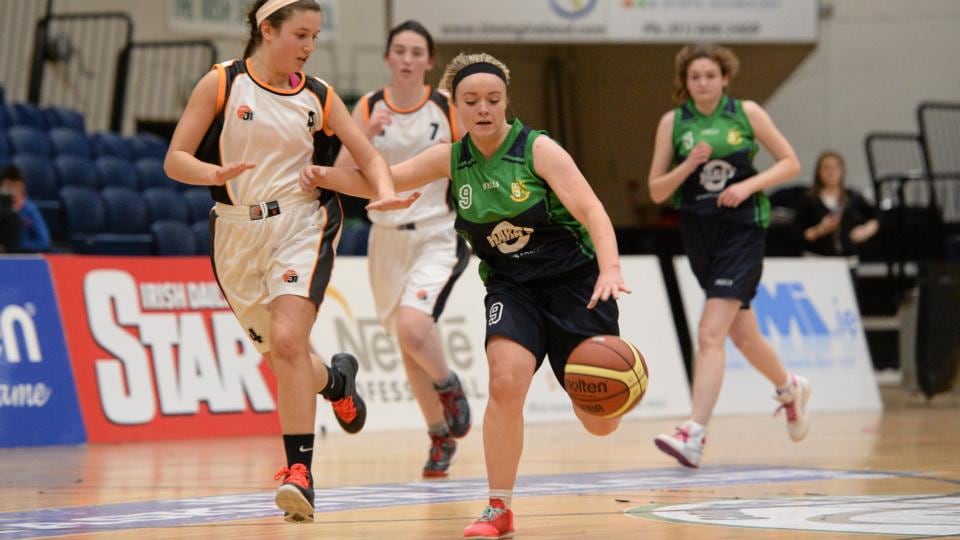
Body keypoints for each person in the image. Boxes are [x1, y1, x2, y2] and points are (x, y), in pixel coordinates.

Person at [301, 52, 631, 540]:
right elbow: (379, 177)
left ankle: (620, 387)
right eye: (472, 101)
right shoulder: (451, 158)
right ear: (454, 107)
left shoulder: (538, 150)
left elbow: (592, 209)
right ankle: (499, 507)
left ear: (505, 103)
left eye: (493, 100)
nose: (483, 109)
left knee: (601, 422)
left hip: (575, 284)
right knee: (504, 381)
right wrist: (321, 175)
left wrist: (611, 267)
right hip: (511, 286)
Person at [162, 0, 415, 524]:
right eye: (300, 34)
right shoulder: (222, 83)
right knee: (286, 359)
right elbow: (174, 159)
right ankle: (337, 383)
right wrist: (211, 175)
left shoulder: (317, 95)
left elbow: (367, 155)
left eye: (315, 37)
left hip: (303, 222)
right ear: (266, 29)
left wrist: (384, 191)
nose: (309, 46)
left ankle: (300, 473)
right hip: (233, 230)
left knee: (287, 342)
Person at [646, 44, 811, 468]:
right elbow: (657, 190)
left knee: (709, 334)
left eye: (709, 75)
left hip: (743, 230)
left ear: (724, 79)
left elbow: (790, 162)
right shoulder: (673, 122)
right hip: (699, 231)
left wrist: (748, 187)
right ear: (684, 82)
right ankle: (790, 386)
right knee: (743, 336)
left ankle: (693, 433)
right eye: (694, 76)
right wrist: (688, 167)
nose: (702, 82)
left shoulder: (747, 113)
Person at [333, 20, 471, 478]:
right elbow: (341, 172)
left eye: (417, 52)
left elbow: (470, 164)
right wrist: (367, 133)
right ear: (389, 57)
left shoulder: (446, 107)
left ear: (430, 61)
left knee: (414, 329)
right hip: (385, 237)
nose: (408, 59)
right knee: (407, 344)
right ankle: (438, 436)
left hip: (436, 230)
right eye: (400, 50)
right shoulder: (369, 105)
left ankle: (448, 385)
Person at [795, 150, 879, 258]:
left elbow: (877, 215)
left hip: (848, 257)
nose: (831, 172)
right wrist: (820, 230)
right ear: (818, 172)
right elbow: (798, 234)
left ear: (842, 171)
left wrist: (865, 231)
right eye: (826, 168)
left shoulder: (853, 196)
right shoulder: (809, 199)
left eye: (835, 168)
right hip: (816, 257)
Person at [0, 165, 51, 253]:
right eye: (8, 185)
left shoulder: (30, 209)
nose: (12, 190)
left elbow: (43, 242)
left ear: (23, 188)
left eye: (16, 186)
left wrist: (13, 246)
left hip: (24, 256)